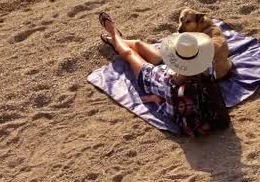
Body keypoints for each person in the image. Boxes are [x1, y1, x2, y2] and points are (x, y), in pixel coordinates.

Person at [99, 11, 230, 135]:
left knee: (129, 53)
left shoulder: (172, 85)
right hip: (170, 69)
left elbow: (171, 113)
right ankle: (116, 42)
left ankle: (114, 33)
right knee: (138, 44)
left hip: (151, 77)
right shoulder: (207, 66)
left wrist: (157, 99)